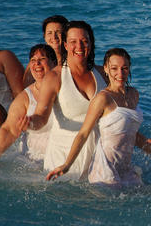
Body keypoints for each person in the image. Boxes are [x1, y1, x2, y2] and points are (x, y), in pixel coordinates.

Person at [46, 48, 151, 186]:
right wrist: (66, 165)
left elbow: (128, 132)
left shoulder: (134, 94)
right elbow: (83, 134)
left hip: (125, 169)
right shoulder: (103, 98)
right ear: (106, 69)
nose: (120, 73)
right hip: (105, 171)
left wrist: (150, 147)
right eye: (114, 68)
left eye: (124, 68)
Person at [26, 20, 107, 180]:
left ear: (91, 44)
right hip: (62, 157)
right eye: (73, 42)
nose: (80, 47)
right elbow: (41, 116)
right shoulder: (55, 77)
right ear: (65, 45)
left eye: (84, 41)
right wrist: (30, 122)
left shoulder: (102, 73)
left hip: (97, 156)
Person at [0, 45, 57, 161]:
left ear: (54, 63)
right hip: (33, 159)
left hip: (61, 154)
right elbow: (9, 129)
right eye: (33, 60)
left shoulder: (66, 88)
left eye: (42, 59)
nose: (37, 64)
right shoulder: (25, 97)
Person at [23, 15, 68, 86]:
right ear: (44, 36)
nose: (54, 37)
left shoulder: (72, 59)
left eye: (58, 32)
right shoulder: (36, 62)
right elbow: (26, 86)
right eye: (49, 33)